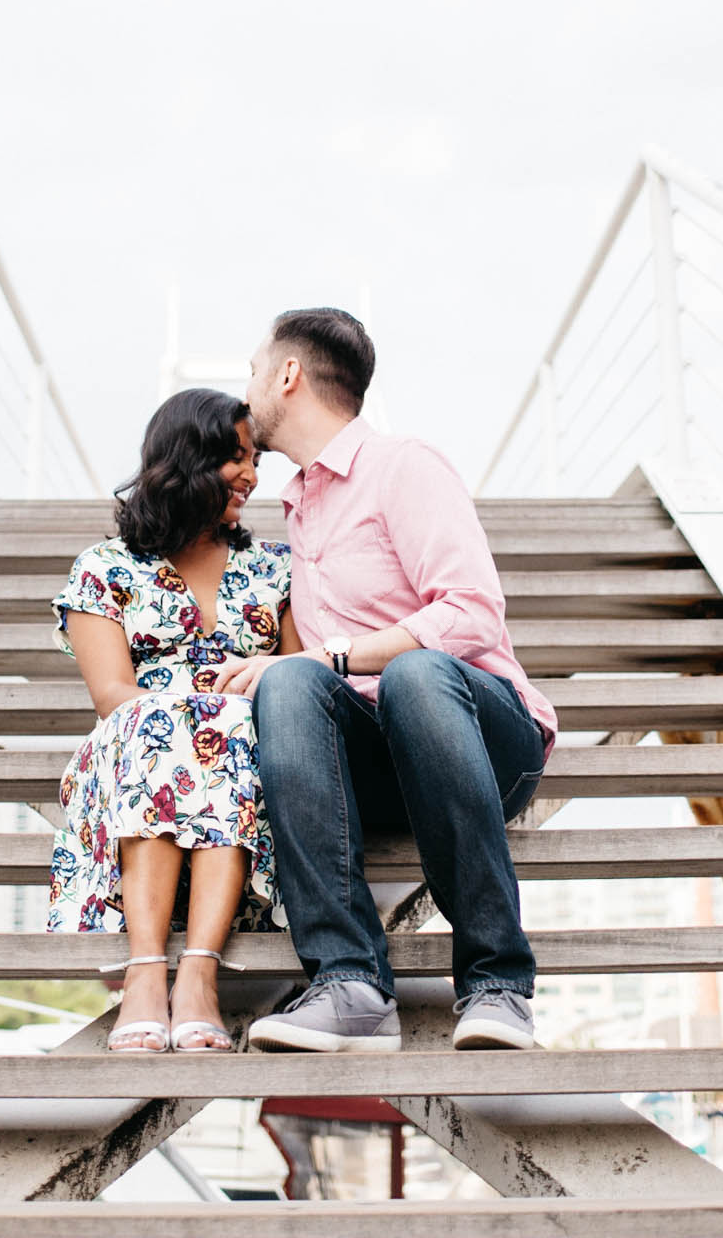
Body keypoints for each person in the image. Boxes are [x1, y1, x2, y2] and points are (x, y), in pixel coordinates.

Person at [212, 308, 557, 1053]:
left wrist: (334, 656)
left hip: (478, 733)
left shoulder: (405, 466)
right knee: (288, 685)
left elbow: (470, 614)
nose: (246, 390)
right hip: (384, 762)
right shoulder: (300, 509)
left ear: (288, 374)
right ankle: (351, 985)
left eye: (251, 370)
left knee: (415, 674)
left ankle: (499, 982)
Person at [48, 388, 297, 1053]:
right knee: (165, 728)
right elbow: (113, 695)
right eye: (236, 458)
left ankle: (197, 973)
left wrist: (247, 689)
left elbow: (300, 681)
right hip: (137, 751)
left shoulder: (277, 567)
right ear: (189, 458)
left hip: (245, 755)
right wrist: (195, 712)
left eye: (254, 460)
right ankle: (147, 968)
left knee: (231, 732)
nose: (252, 473)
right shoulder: (104, 570)